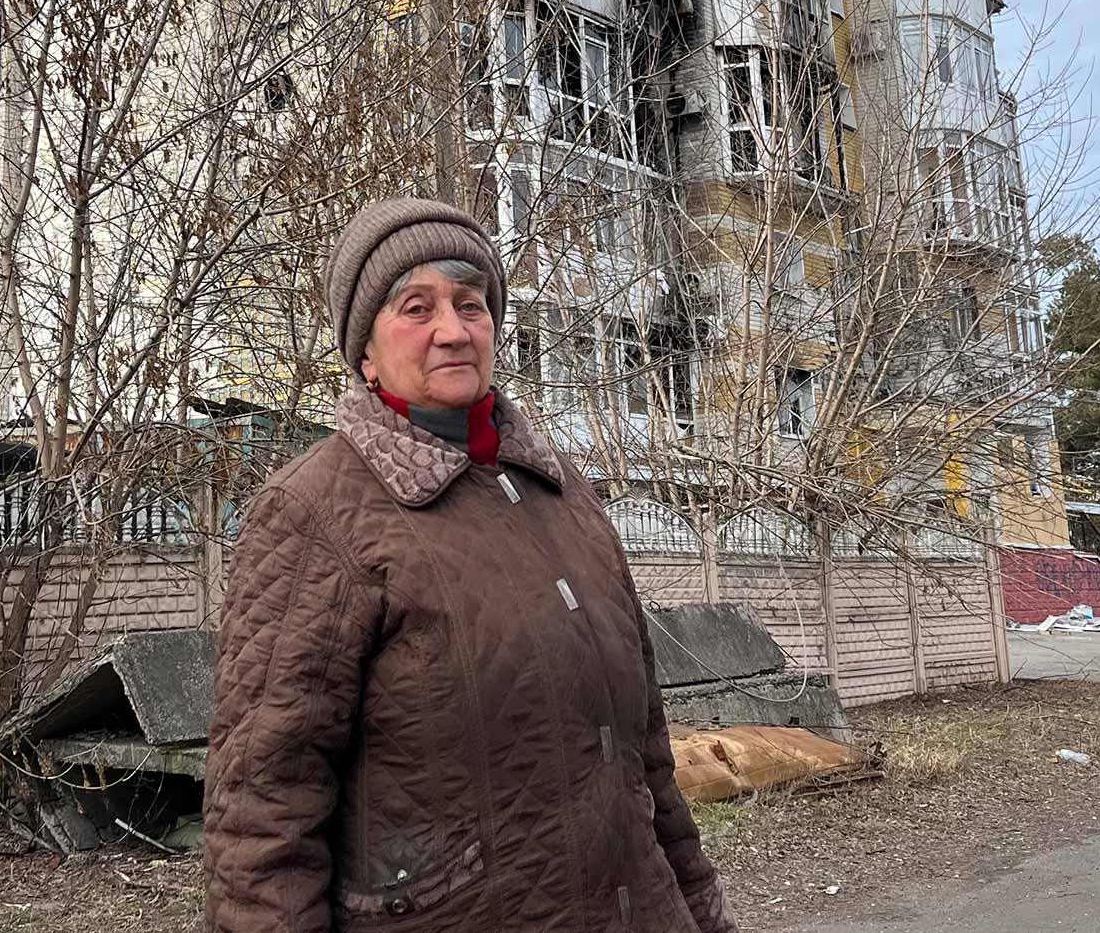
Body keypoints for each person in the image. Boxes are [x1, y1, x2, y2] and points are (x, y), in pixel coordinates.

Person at [203, 197, 737, 933]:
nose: (452, 331)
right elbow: (262, 813)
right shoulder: (314, 513)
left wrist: (703, 913)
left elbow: (645, 760)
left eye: (471, 303)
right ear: (364, 347)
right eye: (416, 308)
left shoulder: (563, 494)